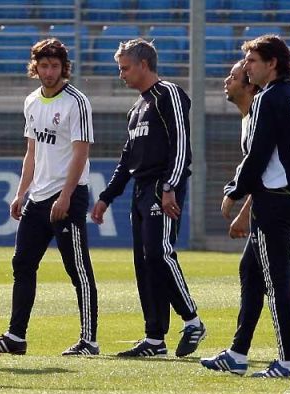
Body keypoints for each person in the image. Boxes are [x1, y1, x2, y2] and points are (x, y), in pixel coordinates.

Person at [200, 60, 290, 376]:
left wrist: (240, 206)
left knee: (280, 280)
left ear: (250, 84)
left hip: (282, 208)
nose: (226, 81)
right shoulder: (252, 115)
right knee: (254, 272)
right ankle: (240, 353)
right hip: (279, 203)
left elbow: (266, 167)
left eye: (234, 76)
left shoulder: (264, 110)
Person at [0, 38, 99, 356]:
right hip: (38, 197)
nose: (49, 72)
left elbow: (81, 152)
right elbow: (31, 152)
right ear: (35, 67)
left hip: (67, 196)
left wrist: (66, 195)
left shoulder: (76, 102)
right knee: (22, 263)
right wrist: (21, 193)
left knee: (77, 268)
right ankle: (15, 337)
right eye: (44, 65)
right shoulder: (31, 101)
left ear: (64, 68)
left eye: (55, 66)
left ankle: (89, 340)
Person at [91, 38, 204, 358]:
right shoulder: (137, 107)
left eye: (125, 68)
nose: (121, 74)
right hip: (141, 189)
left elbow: (181, 145)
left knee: (159, 253)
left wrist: (170, 186)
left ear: (144, 64)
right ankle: (154, 338)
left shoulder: (169, 94)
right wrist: (107, 197)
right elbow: (127, 158)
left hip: (160, 186)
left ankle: (193, 321)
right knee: (144, 263)